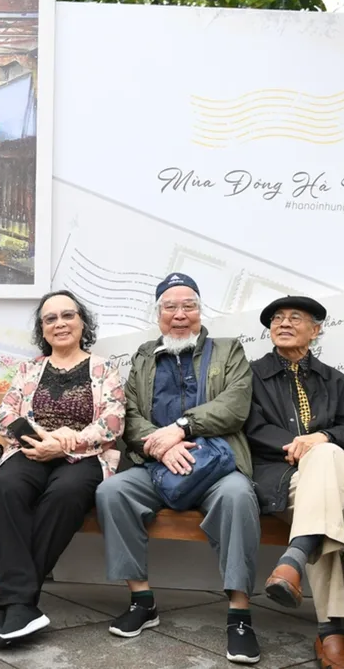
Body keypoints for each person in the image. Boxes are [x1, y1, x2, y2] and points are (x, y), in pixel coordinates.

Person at [95, 273, 262, 665]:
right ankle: (142, 601)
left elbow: (235, 405)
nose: (180, 315)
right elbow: (130, 415)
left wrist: (181, 429)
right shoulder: (143, 356)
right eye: (170, 307)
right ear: (158, 315)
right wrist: (162, 448)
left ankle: (239, 616)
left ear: (201, 311)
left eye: (189, 306)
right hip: (159, 463)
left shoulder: (228, 350)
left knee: (239, 497)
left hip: (217, 464)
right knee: (112, 492)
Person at [0, 290, 126, 649]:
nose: (60, 323)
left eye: (68, 315)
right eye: (50, 318)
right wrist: (43, 438)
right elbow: (5, 415)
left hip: (84, 456)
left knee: (65, 493)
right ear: (42, 328)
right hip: (33, 449)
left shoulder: (104, 369)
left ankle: (15, 603)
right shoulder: (29, 369)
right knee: (6, 487)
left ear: (82, 322)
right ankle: (20, 605)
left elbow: (113, 422)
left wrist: (68, 442)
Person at [243, 296, 344, 669]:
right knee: (325, 506)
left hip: (334, 474)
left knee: (327, 456)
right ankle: (331, 631)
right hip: (281, 478)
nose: (284, 323)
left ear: (315, 331)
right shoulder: (250, 375)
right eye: (277, 318)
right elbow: (248, 428)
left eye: (295, 318)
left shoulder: (336, 380)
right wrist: (300, 445)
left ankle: (293, 561)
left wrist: (322, 438)